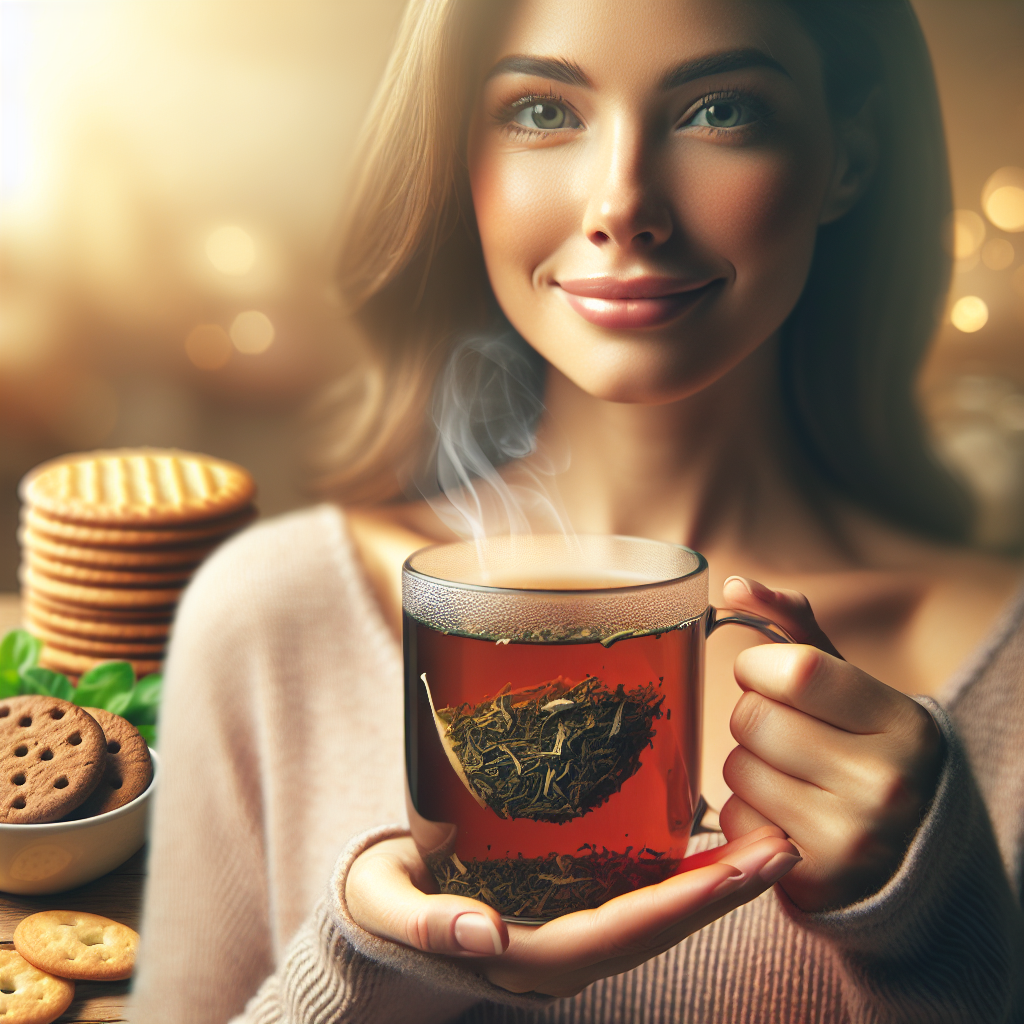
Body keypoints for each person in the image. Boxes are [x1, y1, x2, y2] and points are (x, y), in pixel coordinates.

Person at [130, 1, 1024, 1021]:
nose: (622, 204)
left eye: (720, 108)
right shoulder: (269, 617)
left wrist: (929, 921)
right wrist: (372, 968)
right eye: (544, 111)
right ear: (459, 158)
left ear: (846, 157)